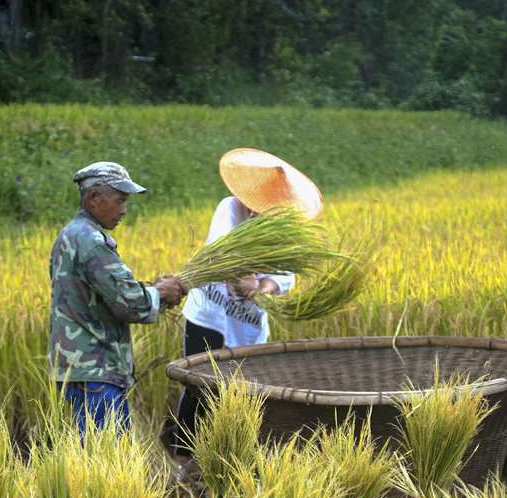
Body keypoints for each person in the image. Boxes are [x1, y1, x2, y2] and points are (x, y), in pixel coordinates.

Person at [164, 148, 323, 456]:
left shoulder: (286, 232)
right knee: (200, 386)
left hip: (247, 323)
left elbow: (284, 278)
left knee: (244, 391)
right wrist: (242, 279)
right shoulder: (230, 209)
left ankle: (231, 451)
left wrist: (260, 287)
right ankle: (184, 454)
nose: (258, 212)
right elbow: (223, 254)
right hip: (208, 315)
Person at [49, 162, 187, 435]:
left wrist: (152, 289)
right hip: (96, 371)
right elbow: (130, 303)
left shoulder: (71, 235)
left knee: (93, 458)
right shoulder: (91, 241)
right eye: (120, 200)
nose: (124, 210)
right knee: (105, 458)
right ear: (93, 198)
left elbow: (104, 295)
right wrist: (161, 292)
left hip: (79, 369)